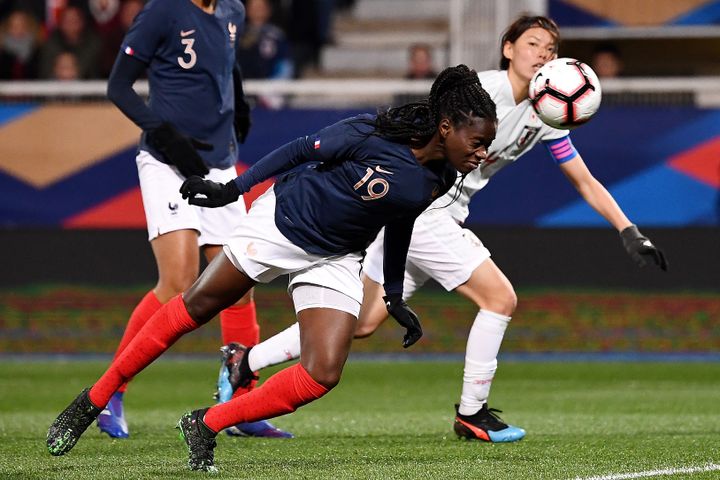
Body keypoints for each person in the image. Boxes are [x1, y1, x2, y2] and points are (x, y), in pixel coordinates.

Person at [219, 14, 668, 444]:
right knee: (500, 297)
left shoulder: (546, 112)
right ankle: (472, 412)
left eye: (551, 49)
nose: (542, 55)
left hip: (433, 214)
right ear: (508, 49)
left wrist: (628, 229)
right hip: (424, 206)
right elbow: (419, 127)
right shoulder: (482, 95)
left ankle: (244, 363)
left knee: (362, 322)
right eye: (532, 44)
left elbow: (583, 179)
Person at [46, 64, 498, 473]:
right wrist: (233, 190)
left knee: (323, 372)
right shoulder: (373, 133)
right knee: (198, 304)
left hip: (338, 255)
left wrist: (394, 296)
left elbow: (399, 222)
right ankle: (93, 399)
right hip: (281, 224)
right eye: (478, 143)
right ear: (446, 127)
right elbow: (301, 149)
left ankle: (205, 423)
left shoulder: (441, 178)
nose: (482, 155)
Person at [94, 0, 291, 440]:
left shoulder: (232, 12)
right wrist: (164, 133)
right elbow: (119, 86)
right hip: (168, 161)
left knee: (238, 283)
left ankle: (239, 404)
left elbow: (226, 63)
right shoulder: (163, 11)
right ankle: (110, 392)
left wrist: (238, 102)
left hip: (219, 165)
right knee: (179, 283)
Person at [38, 5, 102, 79]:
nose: (70, 25)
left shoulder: (93, 43)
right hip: (53, 86)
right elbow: (45, 72)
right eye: (67, 21)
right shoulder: (49, 44)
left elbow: (93, 73)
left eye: (74, 21)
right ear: (60, 23)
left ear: (82, 23)